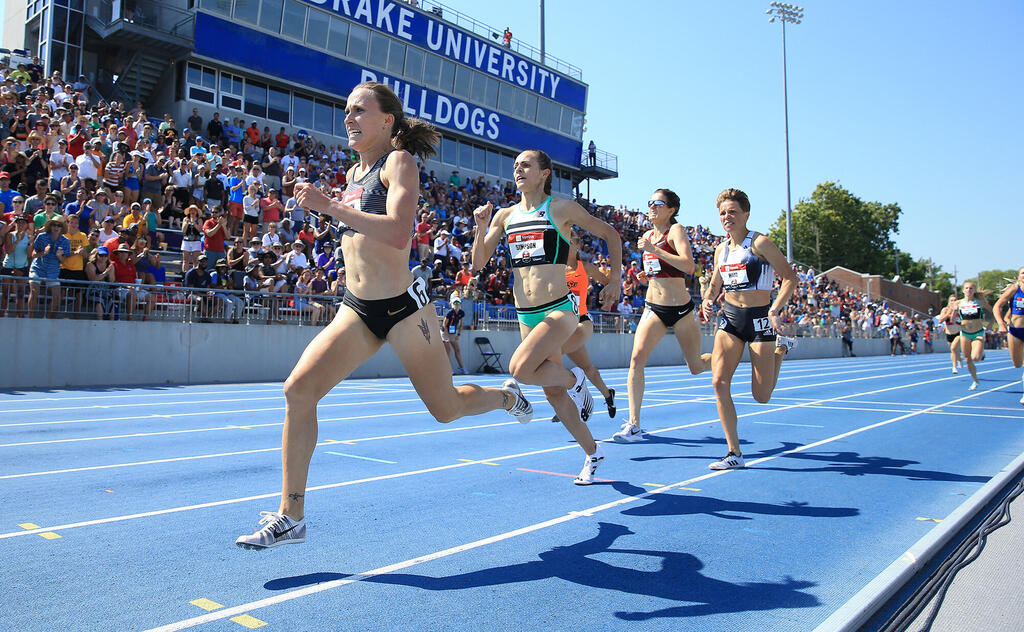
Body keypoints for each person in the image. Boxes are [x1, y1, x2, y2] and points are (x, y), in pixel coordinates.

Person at [235, 81, 533, 551]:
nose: (348, 117)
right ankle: (291, 515)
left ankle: (504, 397)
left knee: (446, 409)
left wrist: (328, 206)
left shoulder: (399, 163)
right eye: (346, 110)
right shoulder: (354, 174)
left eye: (359, 110)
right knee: (298, 390)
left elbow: (397, 234)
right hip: (357, 309)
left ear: (387, 120)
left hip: (403, 310)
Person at [471, 148, 622, 485]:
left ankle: (577, 381)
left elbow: (611, 234)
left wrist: (615, 278)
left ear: (544, 173)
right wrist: (481, 227)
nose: (518, 170)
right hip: (526, 313)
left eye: (526, 165)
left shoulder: (560, 208)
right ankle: (592, 453)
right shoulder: (505, 216)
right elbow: (478, 263)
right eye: (515, 166)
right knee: (553, 394)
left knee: (518, 369)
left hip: (558, 309)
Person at [699, 188, 797, 470]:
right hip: (730, 319)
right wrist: (707, 299)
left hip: (759, 319)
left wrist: (775, 309)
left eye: (732, 212)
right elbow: (714, 284)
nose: (726, 217)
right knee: (719, 382)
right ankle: (734, 453)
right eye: (722, 213)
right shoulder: (721, 249)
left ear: (746, 215)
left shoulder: (761, 243)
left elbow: (790, 278)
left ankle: (781, 348)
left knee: (761, 396)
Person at [615, 189, 711, 443]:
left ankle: (724, 358)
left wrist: (654, 251)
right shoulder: (647, 235)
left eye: (658, 203)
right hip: (653, 307)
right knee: (636, 358)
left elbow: (689, 266)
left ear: (671, 210)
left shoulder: (675, 232)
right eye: (650, 203)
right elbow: (659, 269)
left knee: (696, 366)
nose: (652, 207)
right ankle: (634, 424)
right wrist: (644, 277)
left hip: (681, 310)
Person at [551, 229, 616, 424]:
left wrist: (607, 299)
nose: (564, 244)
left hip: (581, 321)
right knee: (588, 368)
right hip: (563, 324)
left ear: (577, 245)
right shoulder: (556, 270)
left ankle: (574, 398)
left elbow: (609, 283)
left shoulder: (586, 267)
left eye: (568, 241)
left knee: (550, 355)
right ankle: (608, 395)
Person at [993, 266, 1024, 404]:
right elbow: (997, 306)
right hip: (1015, 331)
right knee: (1017, 364)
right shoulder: (1014, 289)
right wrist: (1000, 323)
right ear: (1019, 276)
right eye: (1023, 273)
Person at [955, 281, 991, 391]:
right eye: (966, 288)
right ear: (963, 290)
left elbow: (994, 310)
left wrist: (991, 323)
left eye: (971, 288)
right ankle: (975, 380)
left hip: (978, 333)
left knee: (975, 357)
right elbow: (949, 317)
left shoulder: (980, 301)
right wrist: (950, 316)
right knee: (968, 360)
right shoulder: (958, 303)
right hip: (965, 334)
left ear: (974, 290)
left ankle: (981, 352)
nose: (969, 290)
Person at [442, 295, 467, 374]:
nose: (457, 305)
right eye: (455, 303)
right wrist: (447, 335)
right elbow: (444, 324)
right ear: (453, 304)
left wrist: (458, 334)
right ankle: (449, 369)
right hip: (445, 332)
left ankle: (462, 367)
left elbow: (461, 324)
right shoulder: (450, 312)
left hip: (453, 332)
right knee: (448, 350)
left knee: (457, 350)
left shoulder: (461, 313)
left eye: (458, 303)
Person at [938, 295, 963, 374]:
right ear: (949, 302)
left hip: (958, 333)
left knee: (953, 348)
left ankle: (954, 367)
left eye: (955, 300)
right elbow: (940, 320)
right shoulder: (945, 310)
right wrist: (948, 313)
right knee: (954, 350)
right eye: (951, 300)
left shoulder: (960, 310)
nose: (953, 302)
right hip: (949, 333)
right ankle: (959, 359)